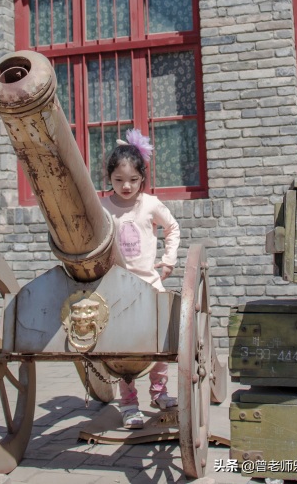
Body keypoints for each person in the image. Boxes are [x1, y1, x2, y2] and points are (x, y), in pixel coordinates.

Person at [101, 128, 181, 430]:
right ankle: (129, 403)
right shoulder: (103, 208)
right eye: (119, 180)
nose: (126, 186)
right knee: (124, 349)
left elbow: (172, 228)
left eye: (133, 180)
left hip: (149, 284)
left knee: (161, 341)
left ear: (142, 179)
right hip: (118, 288)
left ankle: (159, 392)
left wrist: (169, 260)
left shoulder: (149, 205)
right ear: (109, 178)